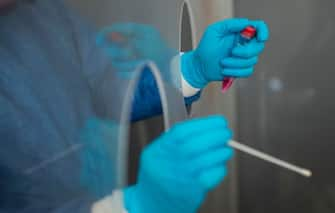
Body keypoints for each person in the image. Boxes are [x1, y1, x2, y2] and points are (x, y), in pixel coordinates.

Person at [0, 0, 269, 212]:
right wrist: (128, 208)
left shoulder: (44, 13)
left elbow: (108, 91)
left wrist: (190, 70)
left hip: (97, 190)